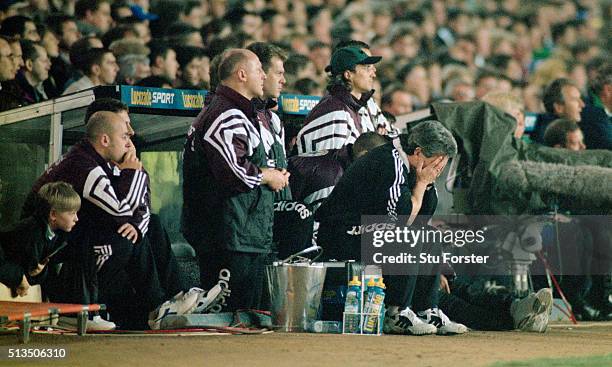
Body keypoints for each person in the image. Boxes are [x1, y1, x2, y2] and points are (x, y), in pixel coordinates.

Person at [23, 111, 198, 330]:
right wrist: (133, 174)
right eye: (124, 136)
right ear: (105, 140)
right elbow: (120, 212)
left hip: (72, 244)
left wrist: (136, 220)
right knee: (127, 238)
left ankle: (176, 297)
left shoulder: (94, 160)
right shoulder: (85, 167)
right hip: (45, 257)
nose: (129, 141)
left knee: (147, 224)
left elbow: (137, 209)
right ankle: (151, 308)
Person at [316, 120, 467, 335]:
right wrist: (422, 184)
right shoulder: (390, 161)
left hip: (369, 231)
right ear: (418, 152)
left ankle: (426, 309)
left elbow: (422, 217)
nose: (439, 168)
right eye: (437, 162)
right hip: (342, 236)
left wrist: (427, 183)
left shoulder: (411, 165)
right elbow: (403, 220)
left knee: (430, 234)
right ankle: (396, 312)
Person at [182, 49, 289, 311]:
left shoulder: (241, 112)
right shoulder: (226, 114)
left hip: (243, 231)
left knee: (244, 317)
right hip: (228, 233)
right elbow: (233, 172)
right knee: (227, 318)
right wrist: (269, 175)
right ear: (241, 75)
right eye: (258, 71)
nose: (264, 76)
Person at [0, 182, 79, 298]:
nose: (76, 218)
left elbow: (34, 270)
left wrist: (36, 273)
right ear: (53, 214)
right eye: (72, 213)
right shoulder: (31, 233)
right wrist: (20, 277)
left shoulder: (54, 237)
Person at [296, 46, 381, 154]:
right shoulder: (335, 111)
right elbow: (331, 167)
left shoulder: (355, 106)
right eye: (366, 68)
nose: (373, 74)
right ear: (348, 75)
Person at [246, 41, 291, 200]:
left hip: (276, 215)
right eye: (278, 73)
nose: (283, 80)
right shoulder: (240, 117)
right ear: (260, 73)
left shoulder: (274, 120)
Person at [533, 78, 585, 144]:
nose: (582, 104)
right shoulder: (549, 138)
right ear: (558, 107)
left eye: (580, 98)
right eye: (575, 99)